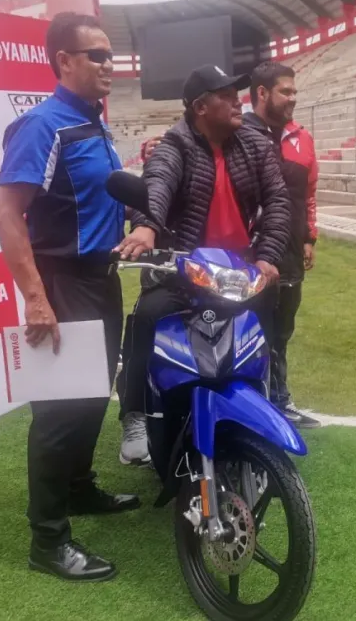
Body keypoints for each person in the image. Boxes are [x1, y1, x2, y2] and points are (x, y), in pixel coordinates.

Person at [0, 11, 139, 583]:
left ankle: (78, 490)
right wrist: (35, 297)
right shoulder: (42, 126)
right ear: (65, 62)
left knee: (91, 396)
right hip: (61, 281)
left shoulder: (94, 123)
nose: (108, 65)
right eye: (97, 56)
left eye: (110, 55)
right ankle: (47, 542)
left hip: (100, 278)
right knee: (58, 414)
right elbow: (8, 215)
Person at [113, 64, 291, 465]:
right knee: (147, 317)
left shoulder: (254, 141)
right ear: (200, 107)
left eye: (237, 93)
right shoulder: (174, 145)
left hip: (240, 270)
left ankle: (268, 401)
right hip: (183, 268)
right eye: (226, 95)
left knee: (265, 329)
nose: (237, 101)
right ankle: (136, 413)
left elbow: (279, 200)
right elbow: (157, 184)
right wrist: (146, 227)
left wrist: (267, 255)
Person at [242, 62, 321, 429]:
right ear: (262, 93)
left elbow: (308, 193)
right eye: (285, 91)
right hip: (249, 256)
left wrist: (309, 237)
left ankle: (279, 400)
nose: (293, 98)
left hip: (290, 252)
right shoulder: (239, 134)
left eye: (294, 91)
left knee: (281, 332)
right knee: (250, 330)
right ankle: (249, 404)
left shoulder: (301, 138)